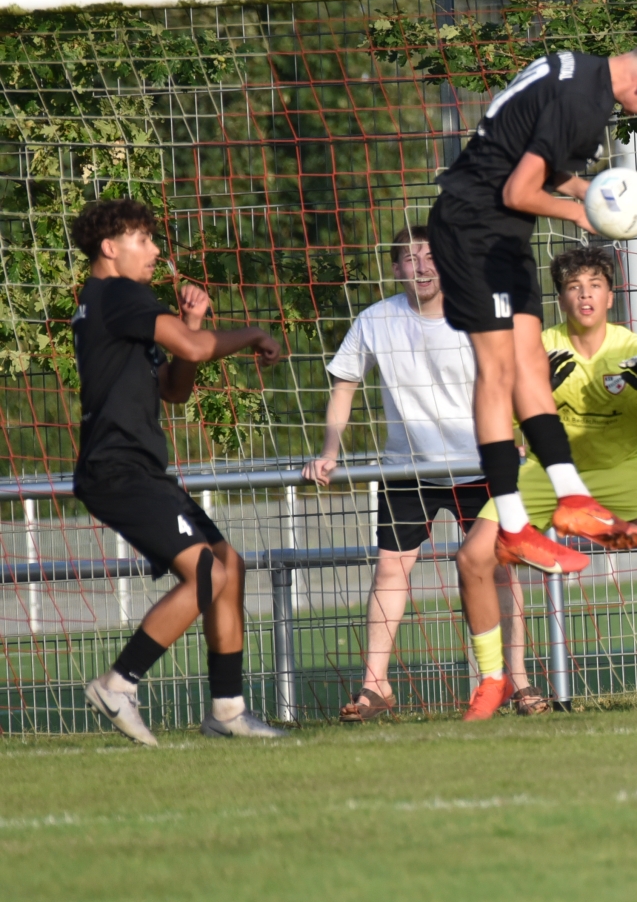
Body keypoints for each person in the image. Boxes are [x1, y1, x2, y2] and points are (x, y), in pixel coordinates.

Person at [427, 34, 637, 582]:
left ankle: (572, 497)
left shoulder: (576, 68)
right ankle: (512, 527)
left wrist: (586, 188)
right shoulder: (585, 106)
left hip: (502, 236)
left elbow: (532, 155)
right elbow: (518, 191)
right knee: (499, 371)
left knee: (530, 362)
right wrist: (584, 214)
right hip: (471, 228)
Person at [457, 246, 637, 717]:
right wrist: (532, 392)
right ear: (560, 298)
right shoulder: (537, 347)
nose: (585, 295)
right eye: (574, 287)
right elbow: (503, 421)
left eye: (595, 286)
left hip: (621, 469)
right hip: (546, 471)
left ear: (610, 296)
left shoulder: (635, 348)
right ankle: (493, 680)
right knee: (473, 556)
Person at [304, 226, 543, 720]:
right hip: (407, 469)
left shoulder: (477, 314)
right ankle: (375, 686)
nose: (422, 266)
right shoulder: (375, 320)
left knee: (499, 570)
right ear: (396, 268)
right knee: (391, 570)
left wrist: (515, 433)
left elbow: (512, 376)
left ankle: (516, 681)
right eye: (410, 258)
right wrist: (329, 451)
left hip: (481, 465)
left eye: (431, 256)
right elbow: (344, 385)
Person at [71, 198, 287, 745]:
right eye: (142, 240)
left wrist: (190, 324)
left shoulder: (108, 302)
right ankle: (118, 683)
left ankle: (228, 711)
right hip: (117, 468)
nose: (154, 251)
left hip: (135, 467)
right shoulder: (120, 294)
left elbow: (174, 389)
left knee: (228, 565)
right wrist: (253, 334)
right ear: (110, 248)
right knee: (208, 573)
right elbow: (193, 349)